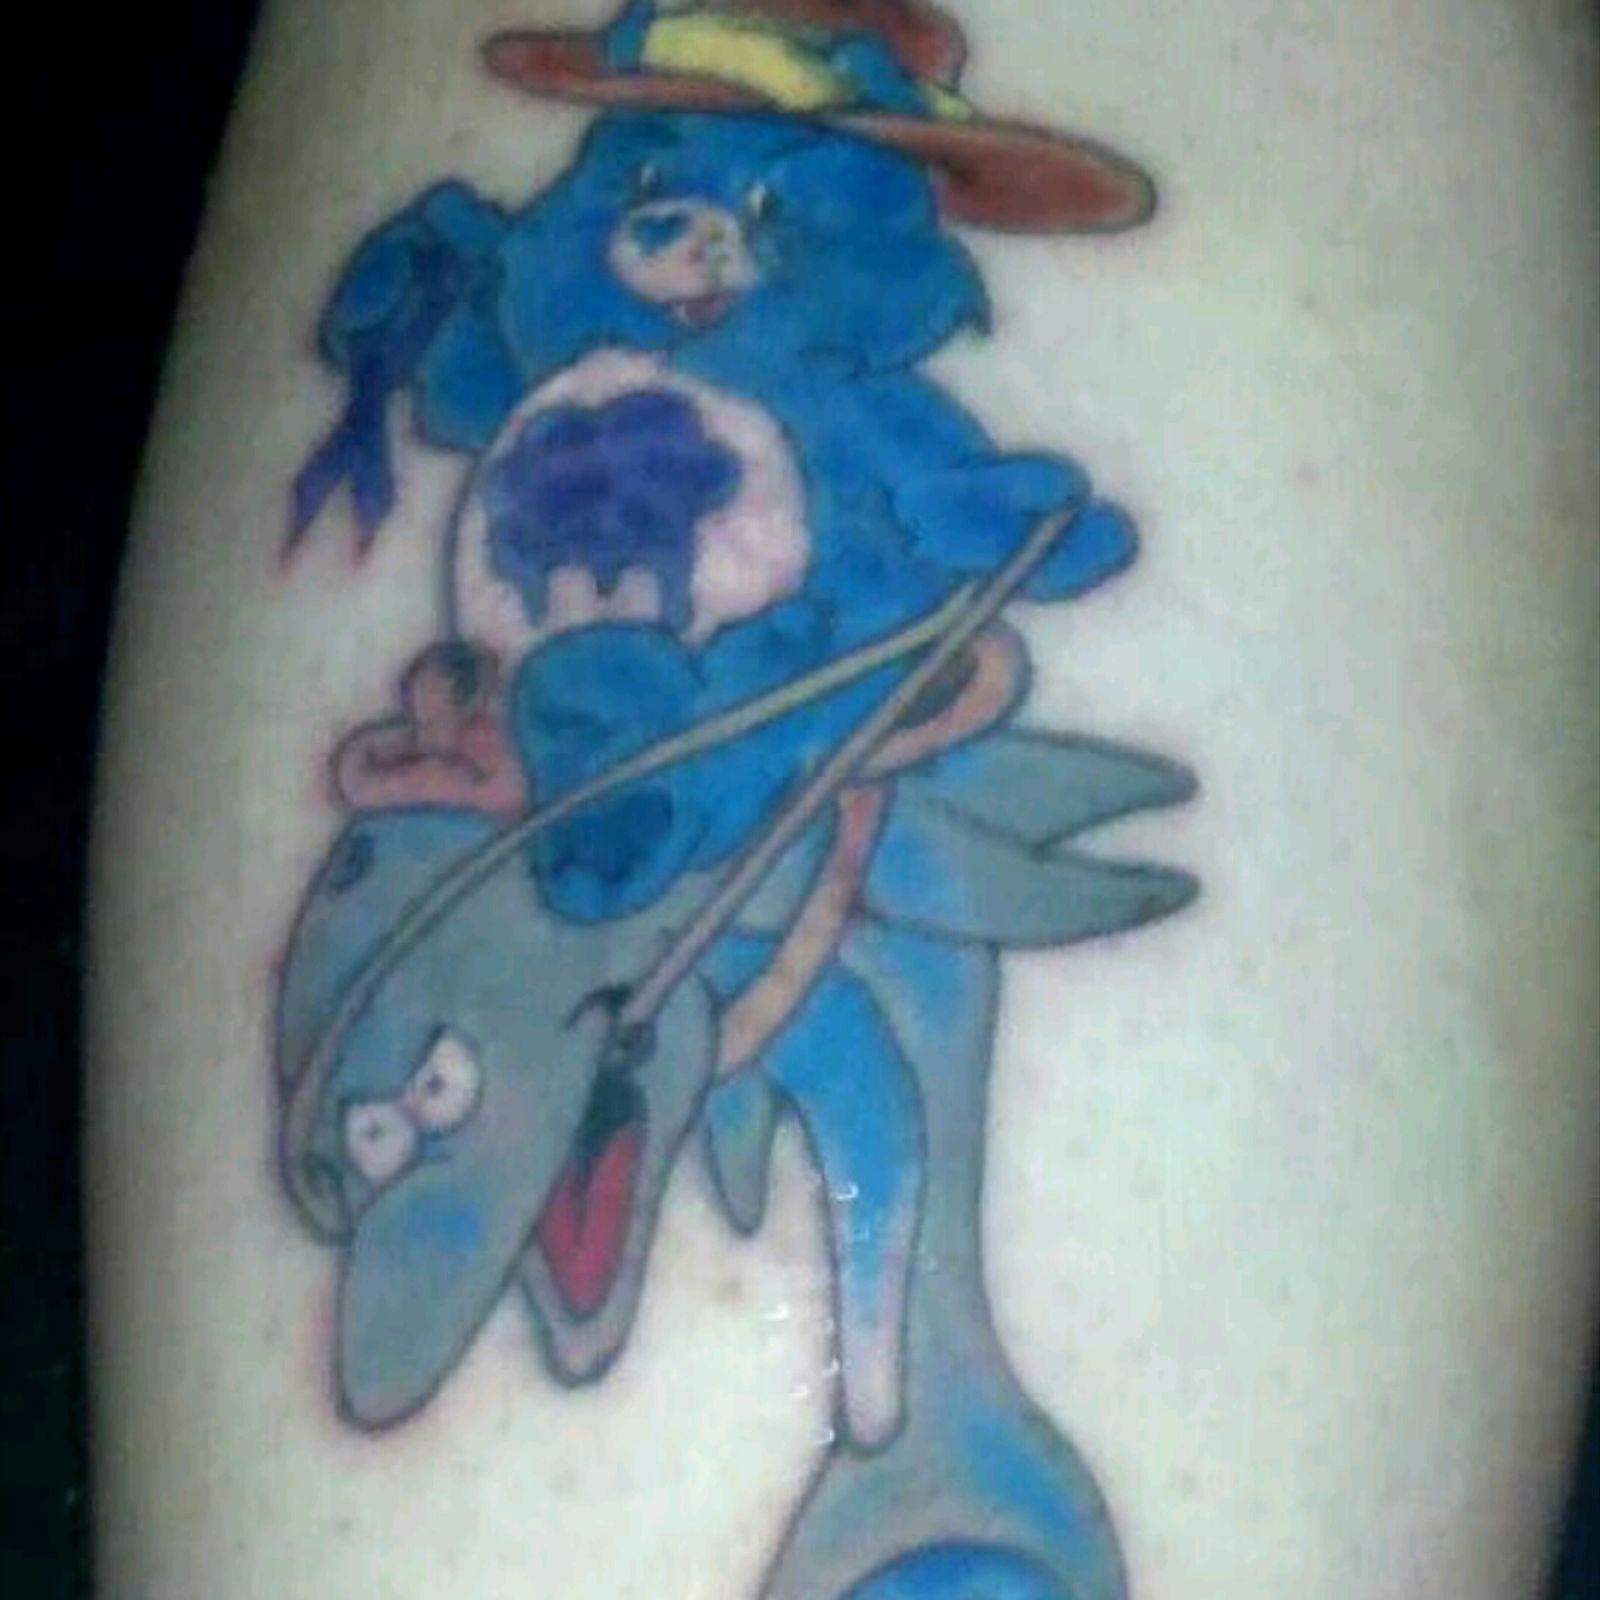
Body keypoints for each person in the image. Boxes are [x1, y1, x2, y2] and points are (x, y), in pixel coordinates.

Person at [87, 2, 1598, 1596]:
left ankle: (908, 1418)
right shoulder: (573, 363)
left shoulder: (816, 412)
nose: (691, 237)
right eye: (654, 188)